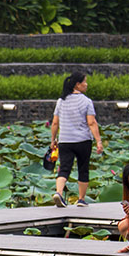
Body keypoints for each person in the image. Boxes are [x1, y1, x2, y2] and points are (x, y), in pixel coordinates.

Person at [48, 74, 104, 207]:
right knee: (83, 169)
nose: (86, 84)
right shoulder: (86, 101)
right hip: (83, 140)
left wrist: (53, 139)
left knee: (64, 168)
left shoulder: (61, 101)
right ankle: (81, 199)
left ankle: (59, 193)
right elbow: (92, 123)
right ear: (77, 85)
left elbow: (55, 123)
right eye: (84, 82)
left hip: (65, 140)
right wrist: (98, 141)